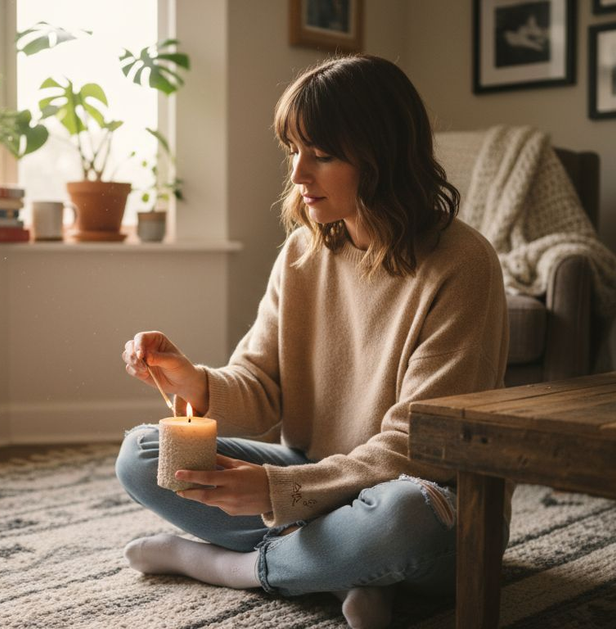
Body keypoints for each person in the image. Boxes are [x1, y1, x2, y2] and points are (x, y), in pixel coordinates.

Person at [115, 54, 509, 629]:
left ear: (384, 157)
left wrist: (282, 489)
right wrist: (193, 382)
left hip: (420, 496)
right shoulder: (303, 253)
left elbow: (421, 445)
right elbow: (261, 386)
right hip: (315, 476)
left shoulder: (463, 263)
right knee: (143, 455)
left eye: (321, 154)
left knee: (401, 519)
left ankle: (229, 567)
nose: (299, 174)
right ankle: (348, 572)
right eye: (293, 150)